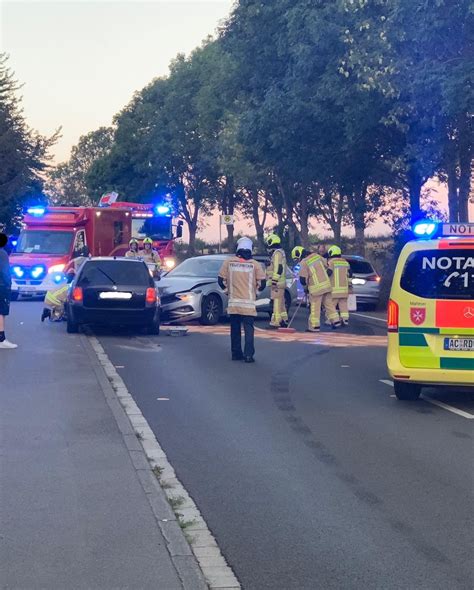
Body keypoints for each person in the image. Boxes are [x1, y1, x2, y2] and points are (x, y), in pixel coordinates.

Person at [218, 237, 266, 363]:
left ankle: (236, 353)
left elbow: (220, 280)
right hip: (248, 305)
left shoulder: (228, 262)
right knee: (249, 330)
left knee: (235, 329)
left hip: (234, 303)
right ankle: (248, 355)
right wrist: (257, 293)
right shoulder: (254, 264)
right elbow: (262, 283)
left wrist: (227, 292)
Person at [291, 246, 340, 332]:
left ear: (299, 255)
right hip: (326, 285)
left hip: (316, 288)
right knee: (329, 305)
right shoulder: (317, 256)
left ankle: (314, 326)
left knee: (315, 307)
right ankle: (336, 321)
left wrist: (305, 288)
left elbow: (302, 279)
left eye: (296, 259)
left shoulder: (304, 262)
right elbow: (328, 266)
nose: (297, 261)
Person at [266, 233, 288, 328]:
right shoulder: (280, 252)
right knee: (281, 302)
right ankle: (284, 319)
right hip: (280, 282)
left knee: (276, 302)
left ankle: (276, 321)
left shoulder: (277, 253)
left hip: (277, 283)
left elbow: (278, 268)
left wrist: (274, 281)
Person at [327, 245, 352, 326]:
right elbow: (350, 275)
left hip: (334, 290)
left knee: (331, 305)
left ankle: (331, 320)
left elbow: (329, 273)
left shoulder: (331, 262)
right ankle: (345, 320)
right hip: (344, 290)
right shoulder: (346, 262)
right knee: (343, 305)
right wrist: (350, 286)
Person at [0, 232, 17, 349]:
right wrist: (8, 285)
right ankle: (1, 339)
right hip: (1, 285)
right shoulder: (2, 254)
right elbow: (5, 272)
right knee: (1, 312)